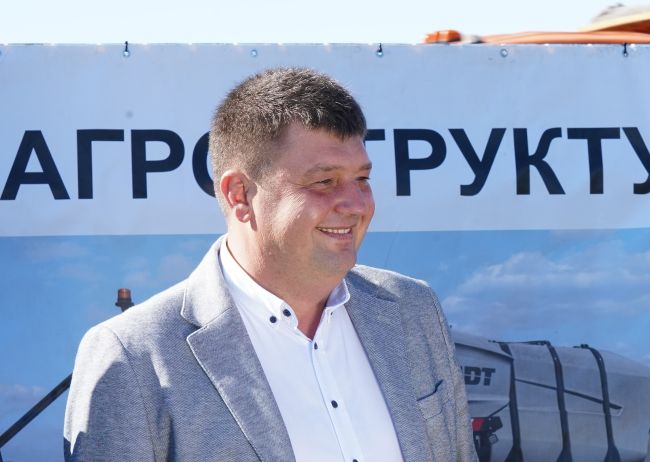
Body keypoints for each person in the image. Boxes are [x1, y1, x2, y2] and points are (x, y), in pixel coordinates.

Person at [64, 67, 477, 461]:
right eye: (324, 181)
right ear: (240, 195)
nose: (356, 205)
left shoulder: (412, 309)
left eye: (362, 179)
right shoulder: (135, 356)